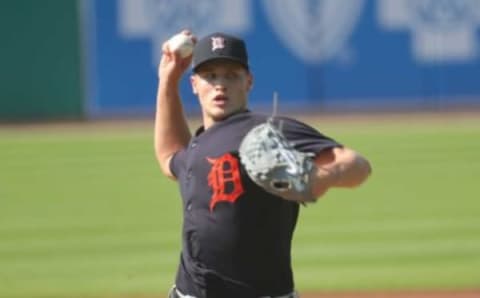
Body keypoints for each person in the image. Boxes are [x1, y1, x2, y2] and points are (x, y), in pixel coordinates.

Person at [154, 30, 372, 298]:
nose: (220, 84)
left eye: (231, 75)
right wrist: (167, 79)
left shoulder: (268, 131)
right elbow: (169, 156)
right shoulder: (197, 144)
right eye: (210, 76)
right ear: (194, 84)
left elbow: (357, 165)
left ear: (249, 82)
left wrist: (316, 179)